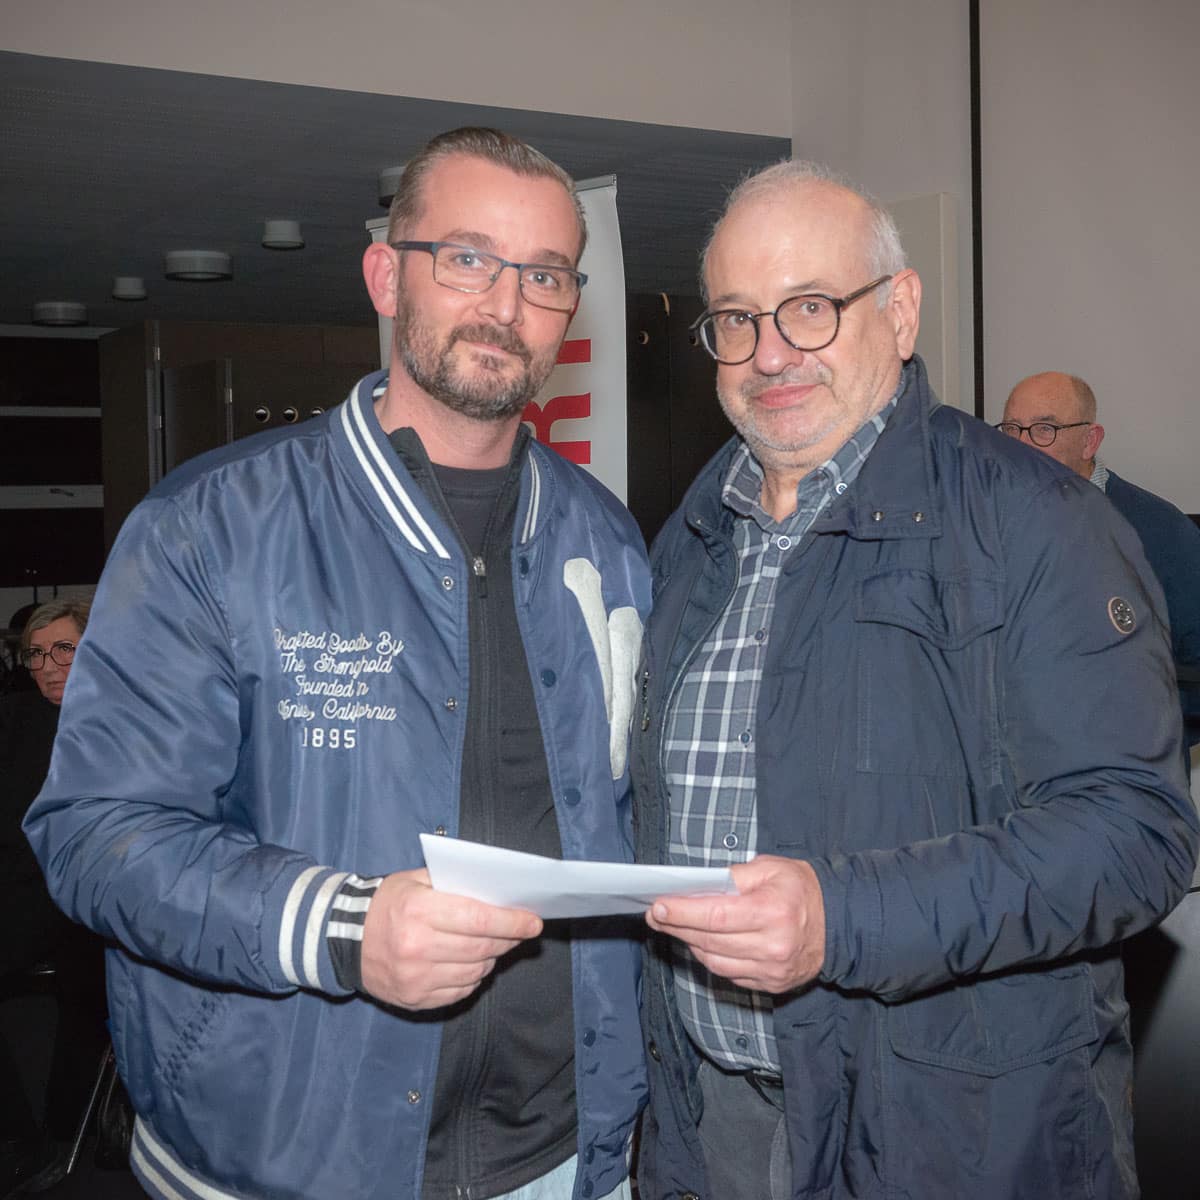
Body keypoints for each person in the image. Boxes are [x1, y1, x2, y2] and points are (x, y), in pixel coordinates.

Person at [25, 128, 650, 1200]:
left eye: (544, 274)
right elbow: (94, 833)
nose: (505, 302)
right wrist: (342, 926)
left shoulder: (606, 538)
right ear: (385, 275)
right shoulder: (209, 527)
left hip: (564, 1157)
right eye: (468, 257)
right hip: (282, 1157)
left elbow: (618, 815)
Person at [632, 159, 1199, 1200]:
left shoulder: (1038, 525)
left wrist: (841, 918)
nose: (770, 353)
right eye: (737, 319)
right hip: (716, 1124)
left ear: (899, 311)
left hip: (956, 1142)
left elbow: (1134, 834)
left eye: (810, 307)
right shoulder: (690, 541)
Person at [1001, 370, 1200, 743]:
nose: (1021, 445)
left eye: (1044, 429)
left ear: (1089, 441)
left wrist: (1145, 738)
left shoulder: (1161, 532)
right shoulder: (981, 524)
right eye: (1012, 429)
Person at [1, 593, 106, 1193]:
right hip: (19, 884)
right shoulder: (16, 718)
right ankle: (24, 1136)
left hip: (78, 893)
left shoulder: (124, 721)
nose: (48, 665)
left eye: (64, 648)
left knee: (86, 981)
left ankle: (35, 1141)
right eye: (36, 654)